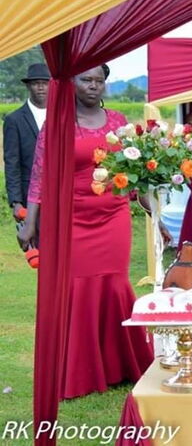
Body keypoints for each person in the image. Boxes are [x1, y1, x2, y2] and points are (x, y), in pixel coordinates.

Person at [18, 64, 154, 399]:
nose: (93, 87)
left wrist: (153, 209)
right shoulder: (58, 123)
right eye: (86, 80)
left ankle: (122, 366)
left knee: (114, 283)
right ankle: (81, 372)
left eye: (99, 81)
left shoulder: (120, 123)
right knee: (77, 288)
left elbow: (135, 170)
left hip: (113, 215)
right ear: (72, 83)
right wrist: (31, 221)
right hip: (72, 218)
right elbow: (40, 174)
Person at [3, 63, 50, 222]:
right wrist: (16, 202)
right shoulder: (14, 120)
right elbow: (11, 163)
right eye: (36, 84)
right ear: (29, 86)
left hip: (59, 193)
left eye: (45, 83)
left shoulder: (62, 116)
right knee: (35, 243)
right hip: (29, 195)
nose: (41, 88)